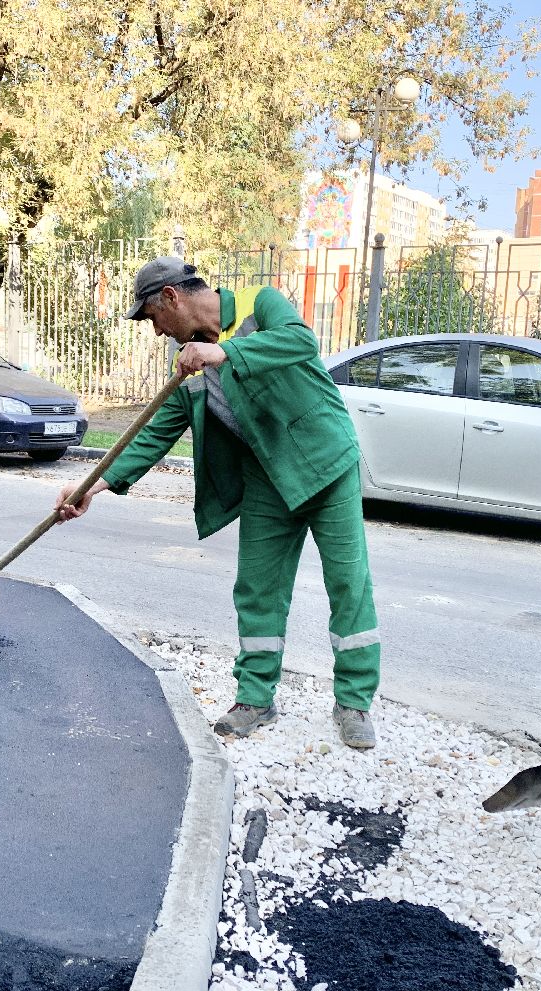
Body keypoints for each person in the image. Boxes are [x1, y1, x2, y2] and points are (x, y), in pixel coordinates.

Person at [53, 256, 381, 749]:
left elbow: (300, 342)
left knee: (347, 584)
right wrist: (91, 486)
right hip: (267, 479)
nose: (157, 331)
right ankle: (255, 698)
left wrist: (222, 352)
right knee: (257, 590)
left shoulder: (259, 304)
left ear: (172, 297)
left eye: (154, 318)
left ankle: (353, 703)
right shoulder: (186, 366)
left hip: (326, 463)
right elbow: (152, 435)